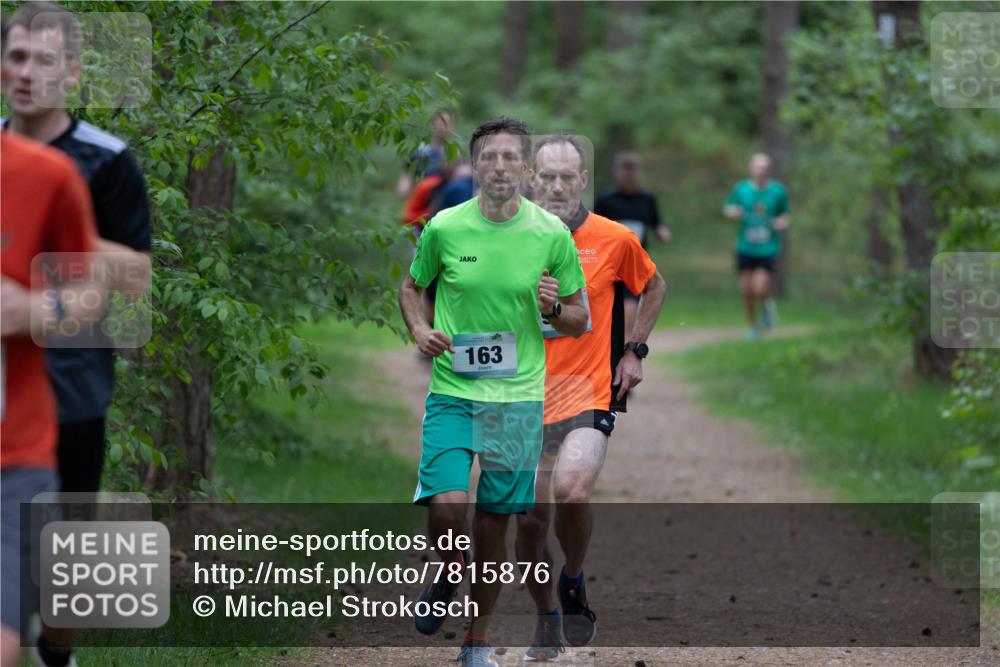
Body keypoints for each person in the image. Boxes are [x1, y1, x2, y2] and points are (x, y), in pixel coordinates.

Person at [398, 116, 588, 667]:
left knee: (492, 523)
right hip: (453, 390)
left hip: (517, 399)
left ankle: (476, 639)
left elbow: (579, 318)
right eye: (489, 157)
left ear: (525, 170)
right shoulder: (444, 227)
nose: (499, 167)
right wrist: (419, 328)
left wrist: (554, 307)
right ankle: (449, 569)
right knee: (446, 510)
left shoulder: (550, 234)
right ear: (475, 166)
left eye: (510, 158)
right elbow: (411, 287)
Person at [1, 4, 152, 665]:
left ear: (72, 72)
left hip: (72, 378)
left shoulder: (106, 161)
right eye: (16, 57)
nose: (27, 73)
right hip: (7, 384)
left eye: (44, 60)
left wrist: (58, 220)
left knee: (67, 561)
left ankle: (56, 650)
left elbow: (136, 277)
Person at [517, 135, 667, 660]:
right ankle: (545, 617)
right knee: (531, 520)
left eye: (567, 177)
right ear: (531, 179)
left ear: (583, 180)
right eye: (547, 176)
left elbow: (654, 286)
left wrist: (634, 351)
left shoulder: (614, 238)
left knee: (573, 490)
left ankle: (573, 578)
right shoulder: (507, 238)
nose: (557, 186)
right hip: (522, 394)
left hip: (588, 389)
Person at [1, 131, 101, 667]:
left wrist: (38, 310)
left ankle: (55, 648)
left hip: (16, 449)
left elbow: (94, 289)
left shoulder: (49, 174)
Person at [594, 151, 669, 341]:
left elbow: (655, 222)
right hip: (609, 262)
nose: (628, 175)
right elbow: (593, 227)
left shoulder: (647, 199)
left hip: (635, 263)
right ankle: (609, 342)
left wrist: (661, 231)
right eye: (624, 170)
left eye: (632, 170)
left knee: (630, 307)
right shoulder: (606, 200)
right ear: (616, 172)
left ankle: (626, 345)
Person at [722, 153, 789, 339]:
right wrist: (733, 212)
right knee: (746, 290)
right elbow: (728, 208)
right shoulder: (741, 189)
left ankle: (766, 307)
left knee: (759, 288)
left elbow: (785, 215)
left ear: (769, 170)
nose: (761, 171)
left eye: (764, 168)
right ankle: (753, 325)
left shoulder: (778, 191)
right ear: (751, 169)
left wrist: (780, 223)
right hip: (745, 247)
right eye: (758, 167)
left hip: (767, 248)